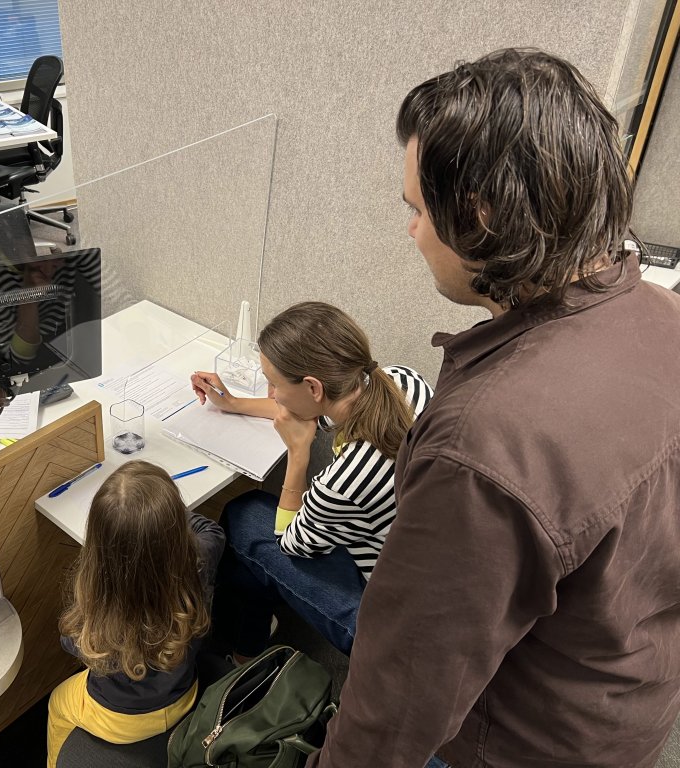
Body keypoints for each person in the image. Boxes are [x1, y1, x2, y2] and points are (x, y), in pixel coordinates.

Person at [308, 48, 680, 768]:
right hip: (632, 707)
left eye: (418, 209)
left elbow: (396, 707)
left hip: (518, 741)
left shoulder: (482, 444)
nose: (411, 231)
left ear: (478, 215)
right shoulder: (665, 315)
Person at [192, 301, 432, 659]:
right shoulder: (401, 381)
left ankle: (245, 646)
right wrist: (233, 403)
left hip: (397, 617)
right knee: (250, 515)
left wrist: (298, 453)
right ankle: (250, 636)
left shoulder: (343, 484)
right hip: (428, 555)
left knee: (244, 517)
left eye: (273, 384)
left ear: (313, 387)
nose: (271, 394)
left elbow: (289, 542)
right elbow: (305, 411)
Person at [47, 460, 225, 767]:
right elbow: (213, 531)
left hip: (119, 720)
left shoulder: (95, 600)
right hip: (184, 693)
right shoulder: (200, 560)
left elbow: (71, 643)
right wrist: (162, 514)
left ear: (99, 543)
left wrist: (140, 520)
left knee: (58, 702)